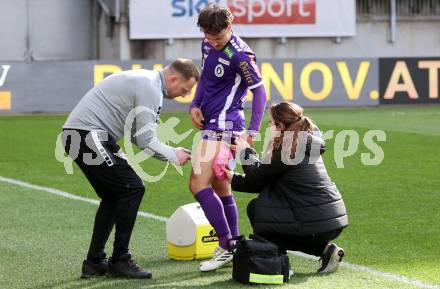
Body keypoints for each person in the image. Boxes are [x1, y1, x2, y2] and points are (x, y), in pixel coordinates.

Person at [62, 58, 198, 279]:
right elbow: (145, 141)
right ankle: (120, 260)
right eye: (185, 89)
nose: (184, 95)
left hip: (84, 135)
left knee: (115, 196)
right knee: (132, 188)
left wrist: (173, 152)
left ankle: (95, 262)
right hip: (87, 135)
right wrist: (174, 155)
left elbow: (138, 136)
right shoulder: (151, 88)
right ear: (173, 78)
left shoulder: (149, 82)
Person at [223, 102, 349, 274]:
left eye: (270, 123)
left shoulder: (288, 148)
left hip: (315, 222)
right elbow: (262, 180)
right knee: (263, 208)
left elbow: (258, 177)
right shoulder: (299, 142)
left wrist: (245, 152)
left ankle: (276, 261)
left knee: (257, 209)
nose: (268, 127)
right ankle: (326, 251)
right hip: (329, 220)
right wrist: (232, 177)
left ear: (280, 126)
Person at [188, 4, 267, 272]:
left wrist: (252, 132)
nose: (212, 42)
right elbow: (206, 79)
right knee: (221, 186)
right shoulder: (208, 43)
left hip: (226, 127)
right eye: (208, 37)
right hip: (210, 122)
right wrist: (194, 104)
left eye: (217, 38)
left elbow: (261, 93)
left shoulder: (241, 56)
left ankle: (227, 244)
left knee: (198, 183)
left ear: (230, 28)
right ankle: (233, 246)